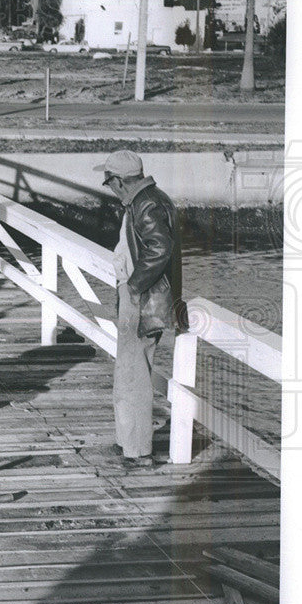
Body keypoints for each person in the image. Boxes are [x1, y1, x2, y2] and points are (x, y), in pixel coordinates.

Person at [94, 150, 187, 466]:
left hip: (143, 302)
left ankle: (137, 452)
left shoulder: (145, 204)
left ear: (119, 181)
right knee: (129, 373)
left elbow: (160, 248)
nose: (109, 188)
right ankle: (128, 444)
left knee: (133, 377)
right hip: (145, 300)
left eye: (109, 182)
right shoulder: (150, 198)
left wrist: (133, 287)